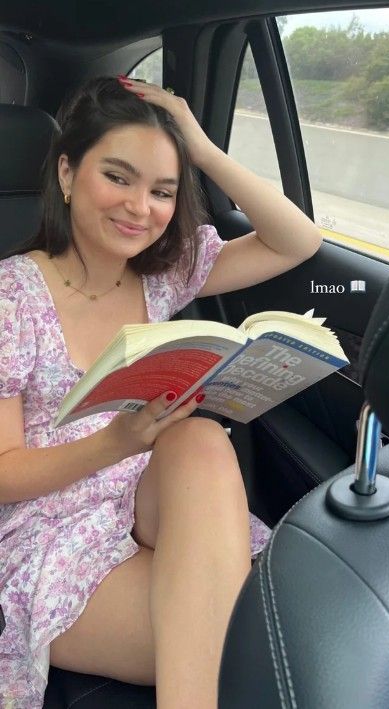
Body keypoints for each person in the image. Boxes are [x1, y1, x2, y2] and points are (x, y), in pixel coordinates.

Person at [0, 76, 322, 708]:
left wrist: (199, 147)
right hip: (52, 531)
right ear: (67, 174)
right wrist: (119, 441)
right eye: (117, 177)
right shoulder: (12, 298)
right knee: (243, 639)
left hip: (151, 499)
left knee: (200, 434)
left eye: (162, 191)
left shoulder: (163, 276)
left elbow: (299, 240)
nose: (138, 207)